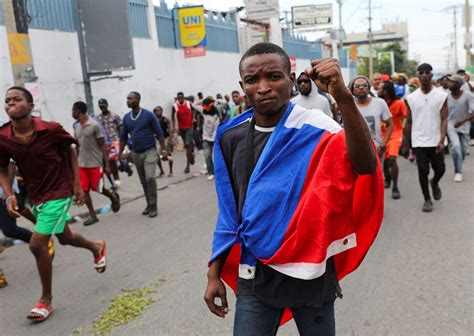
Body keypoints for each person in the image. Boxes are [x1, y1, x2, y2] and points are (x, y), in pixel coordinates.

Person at [204, 42, 383, 335]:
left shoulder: (318, 128)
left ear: (291, 80)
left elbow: (365, 165)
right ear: (242, 86)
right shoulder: (230, 136)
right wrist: (213, 274)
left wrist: (342, 95)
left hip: (311, 270)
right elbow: (229, 212)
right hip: (256, 270)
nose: (263, 87)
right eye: (252, 80)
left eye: (273, 77)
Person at [0, 86, 106, 322]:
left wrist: (77, 186)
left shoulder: (51, 129)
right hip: (37, 195)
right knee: (65, 238)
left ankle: (45, 300)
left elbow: (70, 151)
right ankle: (96, 247)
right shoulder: (3, 136)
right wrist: (9, 195)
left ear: (30, 106)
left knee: (37, 244)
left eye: (16, 99)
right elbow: (2, 168)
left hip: (59, 191)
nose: (10, 104)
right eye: (7, 101)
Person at [403, 63, 448, 213]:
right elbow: (409, 121)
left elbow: (444, 118)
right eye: (421, 73)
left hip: (436, 140)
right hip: (419, 140)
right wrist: (406, 143)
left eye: (426, 72)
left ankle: (434, 182)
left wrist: (441, 140)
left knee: (440, 169)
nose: (423, 75)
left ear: (431, 75)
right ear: (418, 76)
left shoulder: (441, 96)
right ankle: (427, 199)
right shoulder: (411, 98)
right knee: (422, 170)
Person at [119, 92, 167, 218]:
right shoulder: (127, 117)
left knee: (150, 178)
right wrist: (120, 153)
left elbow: (159, 133)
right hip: (136, 153)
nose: (128, 101)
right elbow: (123, 137)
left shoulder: (148, 115)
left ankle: (154, 205)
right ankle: (148, 204)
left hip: (150, 151)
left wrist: (164, 150)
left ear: (138, 100)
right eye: (127, 98)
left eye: (130, 98)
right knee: (143, 180)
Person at [72, 102, 120, 226]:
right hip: (82, 164)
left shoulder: (94, 126)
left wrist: (107, 164)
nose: (72, 113)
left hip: (95, 163)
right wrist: (76, 161)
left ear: (78, 111)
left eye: (73, 111)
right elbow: (77, 145)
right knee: (85, 191)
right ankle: (93, 216)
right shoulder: (76, 127)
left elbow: (102, 145)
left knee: (99, 189)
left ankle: (113, 197)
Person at [349, 76, 394, 158]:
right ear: (353, 90)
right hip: (356, 151)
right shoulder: (349, 106)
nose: (361, 88)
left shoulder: (379, 103)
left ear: (369, 88)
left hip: (376, 149)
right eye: (357, 86)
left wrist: (383, 146)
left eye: (364, 85)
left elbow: (390, 125)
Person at [377, 81, 407, 199]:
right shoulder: (378, 103)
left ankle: (395, 186)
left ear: (387, 91)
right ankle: (387, 176)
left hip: (395, 134)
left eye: (380, 89)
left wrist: (405, 136)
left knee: (392, 159)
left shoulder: (399, 103)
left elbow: (407, 117)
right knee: (384, 160)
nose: (378, 91)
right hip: (381, 135)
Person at [445, 75, 474, 182]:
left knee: (462, 151)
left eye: (451, 82)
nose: (448, 84)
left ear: (458, 84)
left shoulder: (468, 96)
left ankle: (458, 163)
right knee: (456, 147)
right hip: (451, 125)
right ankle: (458, 171)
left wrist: (462, 121)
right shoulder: (446, 97)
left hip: (464, 126)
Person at [191, 97, 224, 180]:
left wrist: (214, 99)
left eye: (207, 106)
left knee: (219, 156)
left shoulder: (217, 109)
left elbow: (224, 102)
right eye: (204, 106)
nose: (206, 108)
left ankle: (221, 172)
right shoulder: (203, 110)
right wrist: (203, 100)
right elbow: (194, 105)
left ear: (211, 105)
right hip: (206, 137)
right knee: (207, 156)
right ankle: (211, 172)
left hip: (217, 137)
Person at [96, 98, 122, 189]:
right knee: (105, 161)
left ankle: (117, 178)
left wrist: (121, 139)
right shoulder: (98, 118)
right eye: (100, 106)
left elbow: (120, 127)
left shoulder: (114, 116)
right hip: (104, 142)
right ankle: (113, 181)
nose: (102, 108)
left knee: (112, 160)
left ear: (107, 105)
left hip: (114, 140)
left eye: (103, 106)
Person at [172, 92, 195, 174]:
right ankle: (192, 154)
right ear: (177, 98)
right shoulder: (175, 106)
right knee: (187, 145)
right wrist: (174, 127)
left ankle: (187, 166)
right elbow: (172, 117)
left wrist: (193, 118)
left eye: (182, 98)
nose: (181, 99)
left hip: (189, 127)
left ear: (184, 97)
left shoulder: (188, 103)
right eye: (179, 98)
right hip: (181, 129)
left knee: (187, 145)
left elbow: (194, 110)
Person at [153, 106, 174, 177]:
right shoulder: (153, 120)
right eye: (157, 111)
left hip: (165, 138)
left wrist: (170, 139)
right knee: (156, 155)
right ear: (154, 112)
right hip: (157, 139)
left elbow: (170, 130)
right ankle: (161, 170)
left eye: (160, 110)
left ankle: (171, 171)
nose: (158, 112)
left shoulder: (165, 119)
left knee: (168, 154)